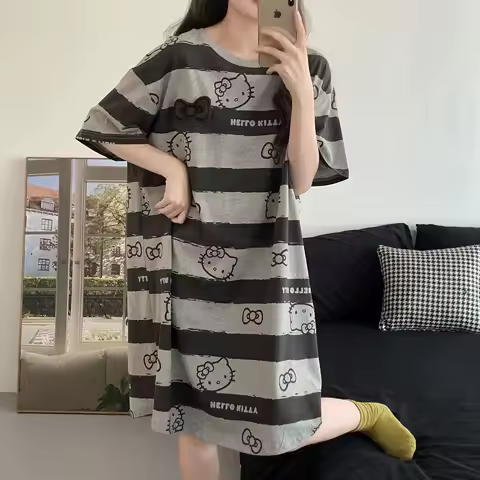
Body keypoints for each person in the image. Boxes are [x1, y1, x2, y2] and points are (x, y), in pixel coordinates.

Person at [76, 1, 416, 478]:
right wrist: (172, 168)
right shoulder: (179, 58)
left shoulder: (310, 66)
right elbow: (106, 125)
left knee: (278, 414)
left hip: (266, 258)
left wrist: (300, 91)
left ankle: (364, 414)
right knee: (192, 417)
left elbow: (302, 179)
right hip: (182, 256)